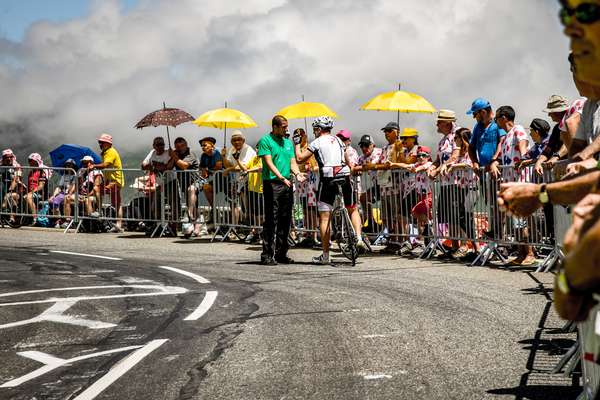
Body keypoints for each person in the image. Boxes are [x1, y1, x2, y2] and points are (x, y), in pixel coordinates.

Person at [294, 116, 365, 264]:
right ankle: (358, 238)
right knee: (352, 208)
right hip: (344, 174)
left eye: (315, 129)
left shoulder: (316, 142)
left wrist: (296, 144)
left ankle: (325, 256)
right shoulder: (339, 140)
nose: (314, 132)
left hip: (328, 178)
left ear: (319, 129)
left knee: (325, 217)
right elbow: (346, 160)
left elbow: (300, 158)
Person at [257, 115, 305, 265]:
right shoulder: (266, 140)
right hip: (272, 183)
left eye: (286, 126)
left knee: (285, 219)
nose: (286, 129)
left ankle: (281, 253)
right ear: (275, 127)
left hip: (287, 183)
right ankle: (267, 254)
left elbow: (292, 161)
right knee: (272, 218)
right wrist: (281, 177)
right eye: (283, 127)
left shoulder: (288, 142)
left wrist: (297, 173)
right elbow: (268, 162)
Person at [494, 105, 535, 265]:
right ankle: (520, 253)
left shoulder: (518, 129)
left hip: (521, 180)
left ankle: (530, 253)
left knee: (522, 219)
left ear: (504, 117)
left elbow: (523, 142)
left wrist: (524, 156)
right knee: (516, 220)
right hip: (509, 182)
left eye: (497, 117)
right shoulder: (505, 138)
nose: (496, 121)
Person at [467, 98, 506, 240]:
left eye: (475, 114)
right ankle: (496, 233)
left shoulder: (497, 124)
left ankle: (502, 234)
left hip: (497, 171)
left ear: (483, 112)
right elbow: (471, 147)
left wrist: (495, 159)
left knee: (500, 203)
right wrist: (475, 162)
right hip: (483, 173)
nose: (474, 117)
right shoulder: (477, 127)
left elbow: (502, 142)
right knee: (491, 204)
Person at [443, 128, 480, 259]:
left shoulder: (471, 149)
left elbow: (470, 164)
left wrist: (454, 166)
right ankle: (474, 249)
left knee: (466, 218)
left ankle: (477, 249)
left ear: (462, 138)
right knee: (462, 218)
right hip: (462, 187)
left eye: (456, 138)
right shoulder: (460, 152)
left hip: (472, 187)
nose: (454, 140)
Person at [89, 133, 124, 233]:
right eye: (99, 142)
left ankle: (100, 212)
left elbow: (105, 165)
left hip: (115, 180)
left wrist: (94, 166)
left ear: (108, 143)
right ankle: (119, 224)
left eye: (102, 143)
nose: (100, 144)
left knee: (97, 189)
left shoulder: (111, 152)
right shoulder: (105, 152)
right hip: (111, 180)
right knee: (117, 203)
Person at [166, 137, 200, 236]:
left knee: (191, 190)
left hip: (195, 180)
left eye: (181, 146)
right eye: (177, 147)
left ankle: (189, 216)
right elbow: (169, 167)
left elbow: (184, 165)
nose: (180, 148)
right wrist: (173, 156)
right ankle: (195, 227)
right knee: (195, 204)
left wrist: (175, 157)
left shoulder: (190, 153)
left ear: (186, 144)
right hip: (184, 181)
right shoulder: (176, 154)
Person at [534, 95, 572, 176]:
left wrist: (556, 157)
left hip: (574, 168)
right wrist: (539, 161)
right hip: (562, 171)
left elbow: (569, 143)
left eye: (550, 112)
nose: (549, 115)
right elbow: (549, 148)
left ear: (558, 112)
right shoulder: (556, 128)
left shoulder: (572, 123)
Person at [49, 158, 77, 228]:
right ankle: (58, 220)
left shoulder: (75, 176)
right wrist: (53, 195)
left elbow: (74, 186)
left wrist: (69, 193)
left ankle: (67, 220)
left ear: (73, 166)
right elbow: (59, 187)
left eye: (70, 165)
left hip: (70, 194)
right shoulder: (63, 176)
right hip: (62, 193)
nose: (68, 167)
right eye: (67, 165)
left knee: (65, 199)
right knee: (52, 201)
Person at [25, 153, 52, 224]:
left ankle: (35, 218)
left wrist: (31, 192)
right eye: (29, 161)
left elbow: (41, 186)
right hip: (32, 192)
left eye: (31, 161)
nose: (30, 163)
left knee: (28, 197)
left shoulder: (42, 171)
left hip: (40, 194)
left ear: (36, 161)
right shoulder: (31, 172)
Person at [0, 149, 23, 225]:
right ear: (3, 158)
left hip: (14, 186)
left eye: (11, 157)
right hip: (3, 185)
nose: (9, 159)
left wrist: (11, 189)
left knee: (12, 196)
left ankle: (12, 218)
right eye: (7, 157)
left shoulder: (16, 165)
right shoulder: (0, 163)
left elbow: (17, 179)